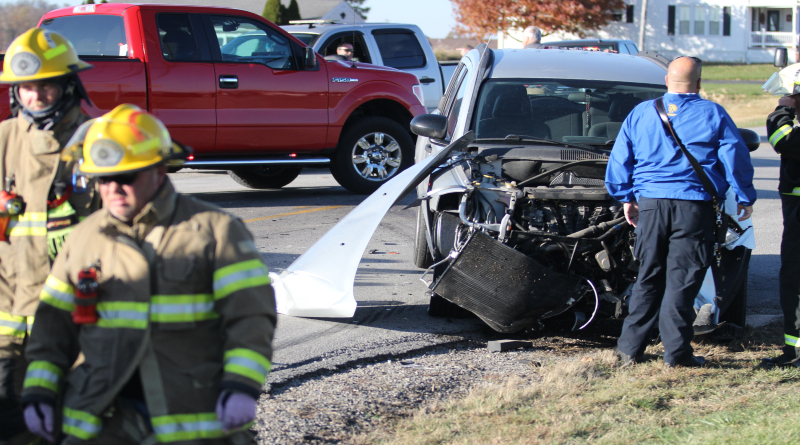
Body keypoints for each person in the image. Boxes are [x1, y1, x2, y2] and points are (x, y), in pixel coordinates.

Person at [21, 104, 277, 444]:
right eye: (103, 178)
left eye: (125, 176)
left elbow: (251, 318)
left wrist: (241, 385)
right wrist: (39, 391)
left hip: (192, 418)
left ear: (159, 170)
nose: (113, 188)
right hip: (99, 421)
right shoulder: (83, 238)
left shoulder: (216, 230)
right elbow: (52, 326)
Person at [605, 56, 756, 367]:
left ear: (666, 82)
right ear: (699, 84)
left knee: (649, 277)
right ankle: (676, 354)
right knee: (683, 280)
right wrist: (744, 196)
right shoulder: (713, 113)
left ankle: (629, 351)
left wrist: (626, 198)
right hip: (693, 207)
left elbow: (620, 159)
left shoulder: (642, 113)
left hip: (651, 206)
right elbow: (735, 157)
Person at [0, 28, 98, 443]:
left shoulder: (97, 142)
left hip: (77, 321)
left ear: (69, 84)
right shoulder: (3, 140)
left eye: (47, 85)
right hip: (10, 319)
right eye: (26, 88)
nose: (36, 96)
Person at [763, 63, 800, 368]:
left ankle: (796, 352)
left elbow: (783, 141)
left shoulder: (788, 120)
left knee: (794, 278)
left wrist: (781, 111)